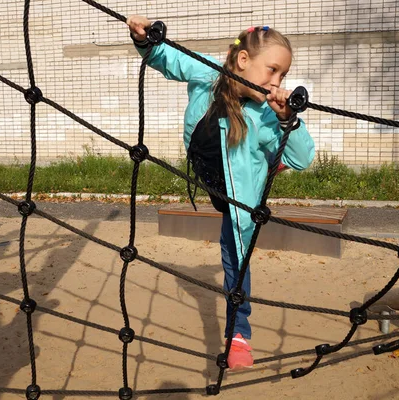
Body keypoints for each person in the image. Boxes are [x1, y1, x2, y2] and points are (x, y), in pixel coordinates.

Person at [127, 16, 315, 370]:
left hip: (241, 197)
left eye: (283, 76)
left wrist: (289, 119)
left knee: (235, 259)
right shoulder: (208, 73)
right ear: (243, 61)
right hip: (213, 172)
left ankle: (239, 335)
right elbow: (166, 58)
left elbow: (304, 159)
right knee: (234, 247)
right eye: (272, 70)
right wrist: (145, 40)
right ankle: (267, 160)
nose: (276, 82)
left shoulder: (268, 114)